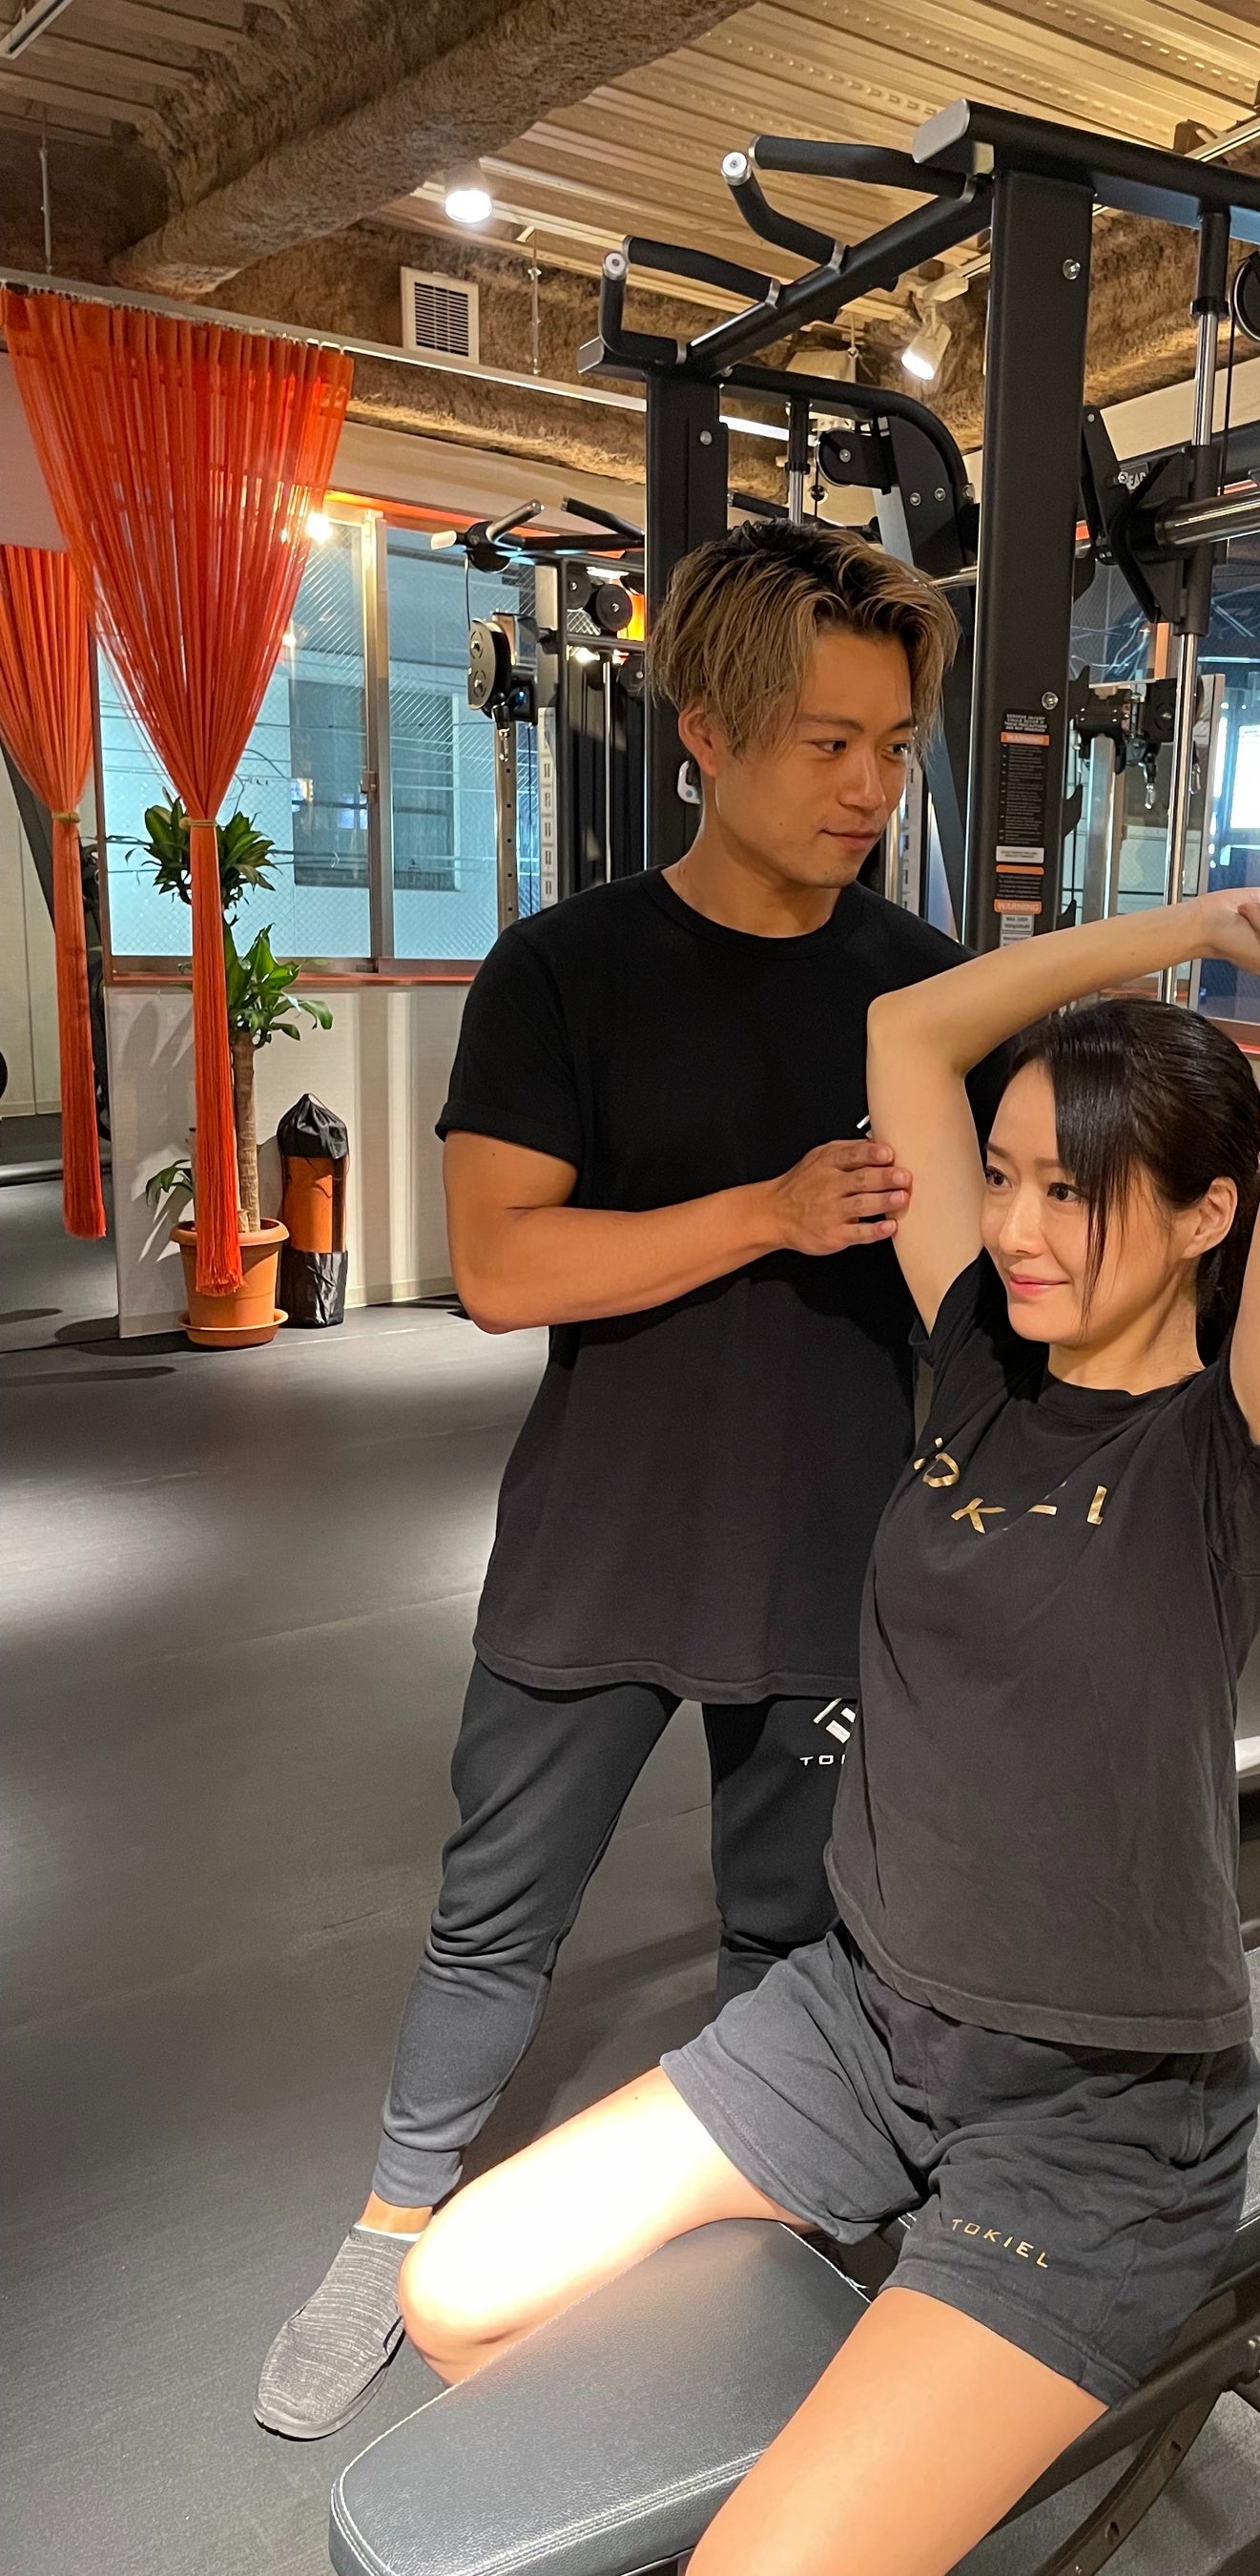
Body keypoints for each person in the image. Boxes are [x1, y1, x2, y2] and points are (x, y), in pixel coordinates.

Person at [394, 870, 1260, 2574]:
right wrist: (1198, 922)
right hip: (860, 2023)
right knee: (454, 2295)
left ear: (1206, 1217)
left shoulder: (1230, 1448)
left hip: (1094, 2112)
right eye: (1001, 1177)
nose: (1015, 1228)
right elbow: (907, 1032)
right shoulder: (979, 1364)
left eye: (1073, 1193)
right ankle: (833, 2458)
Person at [256, 520, 987, 2441]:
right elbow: (503, 1267)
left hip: (830, 1539)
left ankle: (747, 2207)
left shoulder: (922, 992)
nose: (867, 787)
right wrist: (768, 1210)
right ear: (705, 736)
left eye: (891, 747)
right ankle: (391, 2218)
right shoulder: (562, 971)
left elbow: (991, 1264)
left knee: (784, 1922)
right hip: (603, 1532)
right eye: (825, 743)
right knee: (495, 1912)